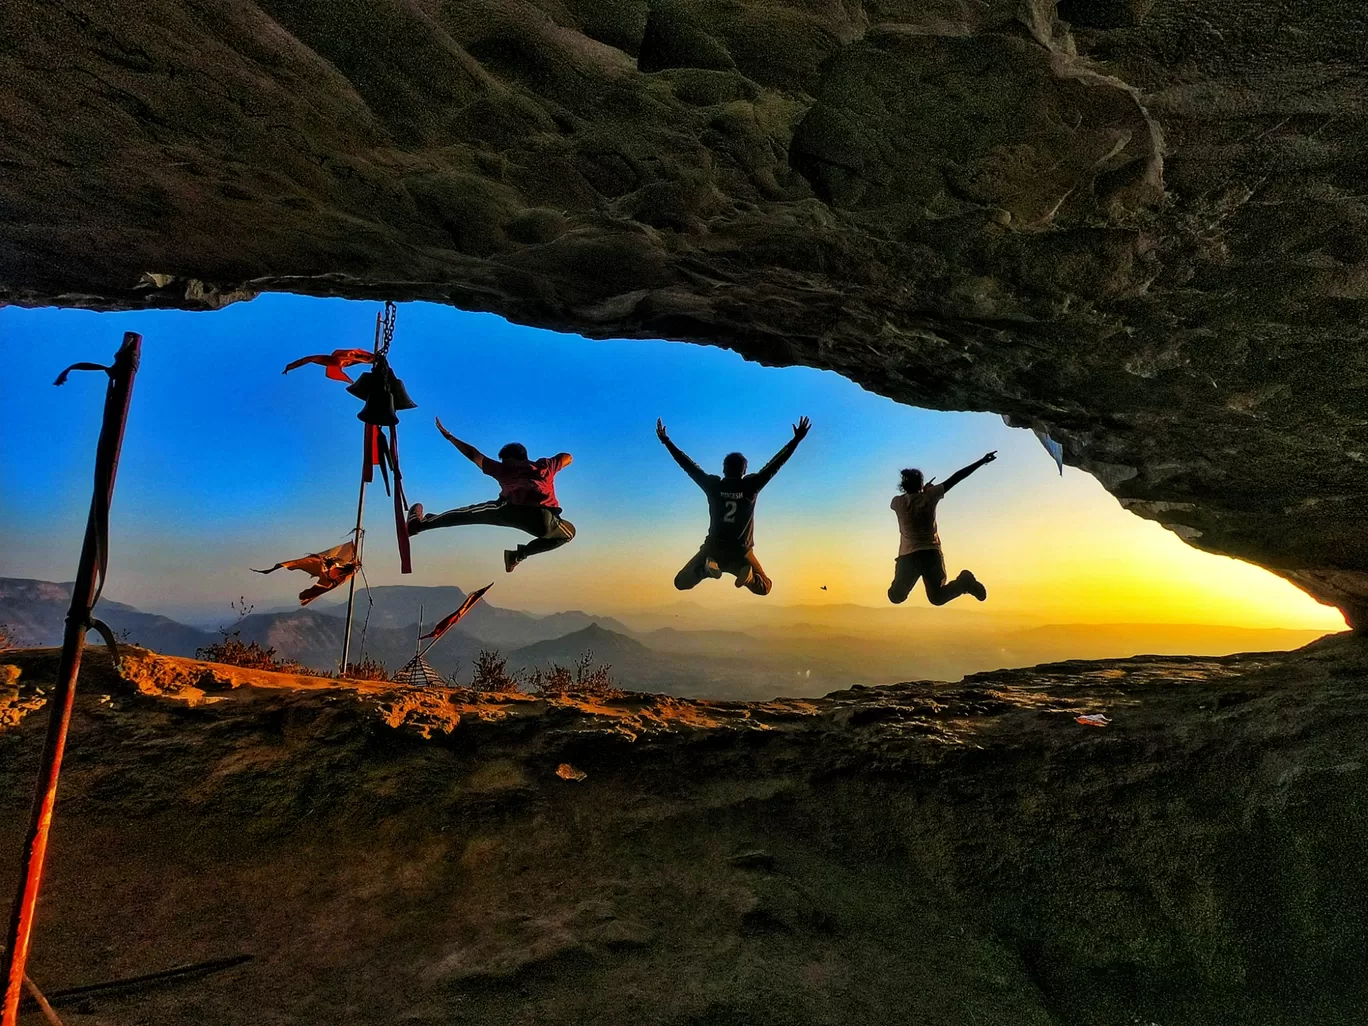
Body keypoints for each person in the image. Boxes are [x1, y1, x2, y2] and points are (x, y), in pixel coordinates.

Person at [657, 416, 810, 595]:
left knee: (681, 582)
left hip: (713, 549)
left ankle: (706, 569)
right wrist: (796, 440)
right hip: (741, 553)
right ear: (744, 470)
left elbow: (689, 466)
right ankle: (750, 578)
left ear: (724, 469)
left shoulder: (713, 486)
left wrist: (667, 441)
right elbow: (775, 464)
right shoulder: (751, 487)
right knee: (765, 587)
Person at [407, 417, 576, 573]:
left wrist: (450, 437)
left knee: (468, 514)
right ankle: (518, 555)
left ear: (516, 458)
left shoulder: (503, 470)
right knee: (569, 534)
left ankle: (420, 525)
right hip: (543, 521)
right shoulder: (544, 466)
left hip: (511, 511)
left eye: (506, 461)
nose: (505, 465)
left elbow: (474, 455)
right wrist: (561, 461)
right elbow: (567, 457)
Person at [888, 452, 997, 605]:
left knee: (895, 596)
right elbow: (957, 477)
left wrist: (923, 491)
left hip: (908, 557)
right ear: (920, 484)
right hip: (930, 555)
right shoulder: (930, 496)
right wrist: (982, 461)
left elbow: (911, 500)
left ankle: (965, 583)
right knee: (937, 598)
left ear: (903, 486)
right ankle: (964, 583)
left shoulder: (897, 502)